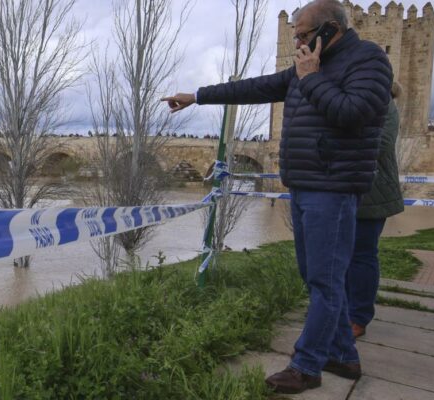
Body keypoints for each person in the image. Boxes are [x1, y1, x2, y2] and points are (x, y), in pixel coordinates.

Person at [161, 0, 392, 394]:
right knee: (316, 277)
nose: (298, 42)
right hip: (304, 184)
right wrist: (197, 96)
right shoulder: (307, 63)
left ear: (329, 29)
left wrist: (312, 77)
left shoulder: (367, 60)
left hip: (333, 188)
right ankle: (343, 355)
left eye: (302, 35)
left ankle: (307, 366)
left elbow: (354, 113)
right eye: (296, 36)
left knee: (325, 281)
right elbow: (255, 87)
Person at [347, 82, 405, 338]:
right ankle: (339, 309)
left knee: (362, 254)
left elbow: (379, 144)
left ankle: (358, 316)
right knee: (340, 254)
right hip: (346, 187)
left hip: (373, 190)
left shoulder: (386, 106)